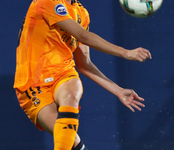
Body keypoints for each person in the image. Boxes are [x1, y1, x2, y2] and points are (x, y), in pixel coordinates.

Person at [13, 0, 152, 149]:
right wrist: (126, 53)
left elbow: (84, 64)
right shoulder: (48, 2)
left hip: (64, 73)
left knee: (72, 93)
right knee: (72, 142)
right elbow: (83, 36)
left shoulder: (82, 13)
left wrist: (118, 90)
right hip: (34, 83)